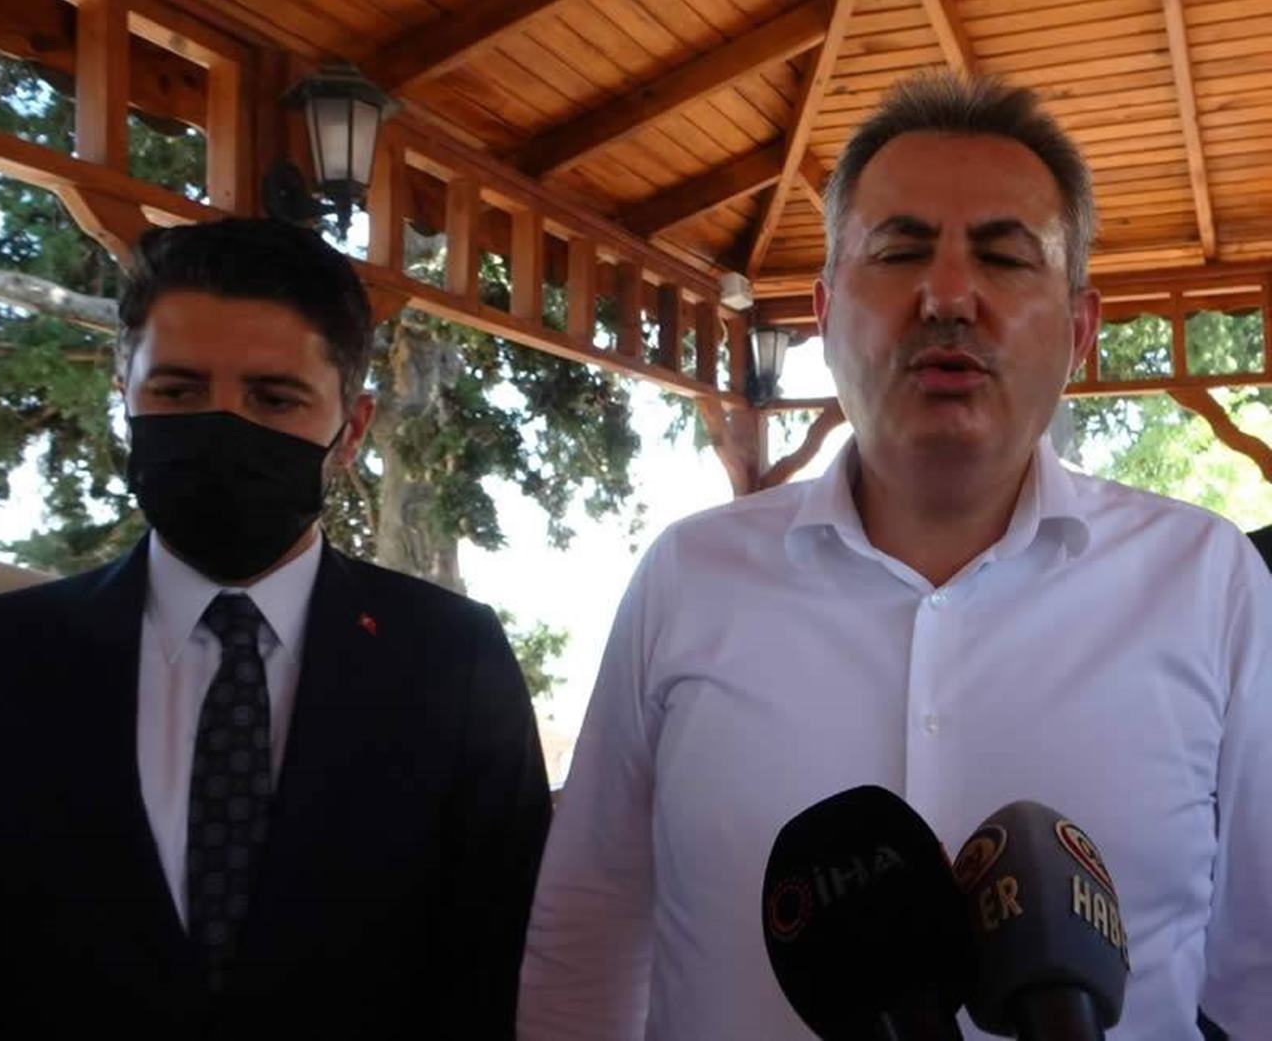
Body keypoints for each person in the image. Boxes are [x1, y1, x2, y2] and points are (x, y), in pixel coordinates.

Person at [517, 74, 1271, 1040]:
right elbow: (588, 931)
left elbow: (1260, 973)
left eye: (1004, 256)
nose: (948, 294)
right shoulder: (687, 578)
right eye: (901, 250)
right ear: (826, 312)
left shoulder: (1207, 582)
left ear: (1080, 330)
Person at [0, 218, 551, 1038]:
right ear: (125, 395)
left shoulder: (453, 660)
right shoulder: (9, 656)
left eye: (274, 398)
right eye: (177, 391)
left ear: (351, 429)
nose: (221, 426)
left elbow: (500, 961)